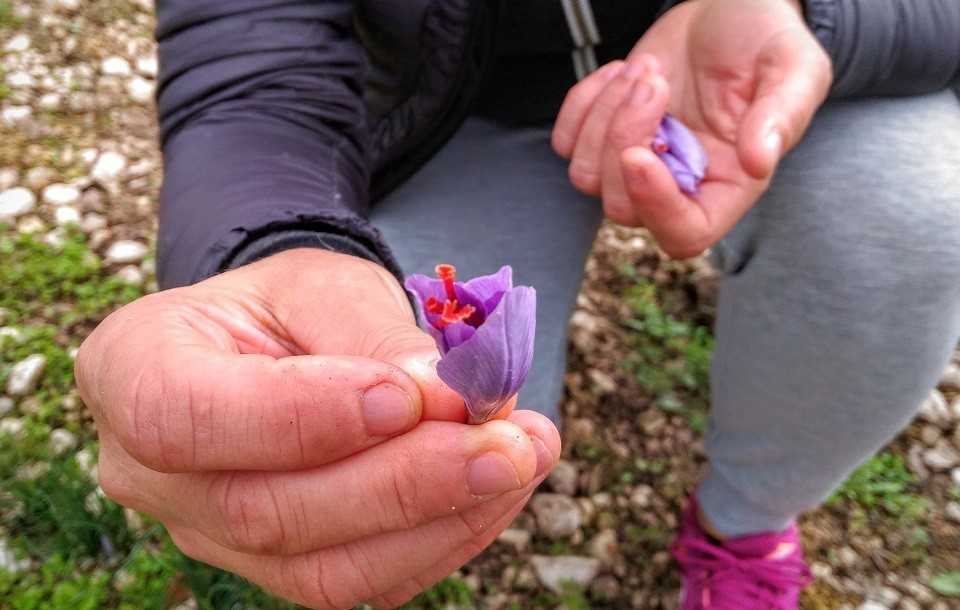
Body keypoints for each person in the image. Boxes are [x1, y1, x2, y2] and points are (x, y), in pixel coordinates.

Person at [75, 0, 960, 608]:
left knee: (914, 210)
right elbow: (249, 58)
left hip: (758, 76)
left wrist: (815, 12)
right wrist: (271, 247)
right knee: (391, 410)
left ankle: (748, 523)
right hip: (454, 121)